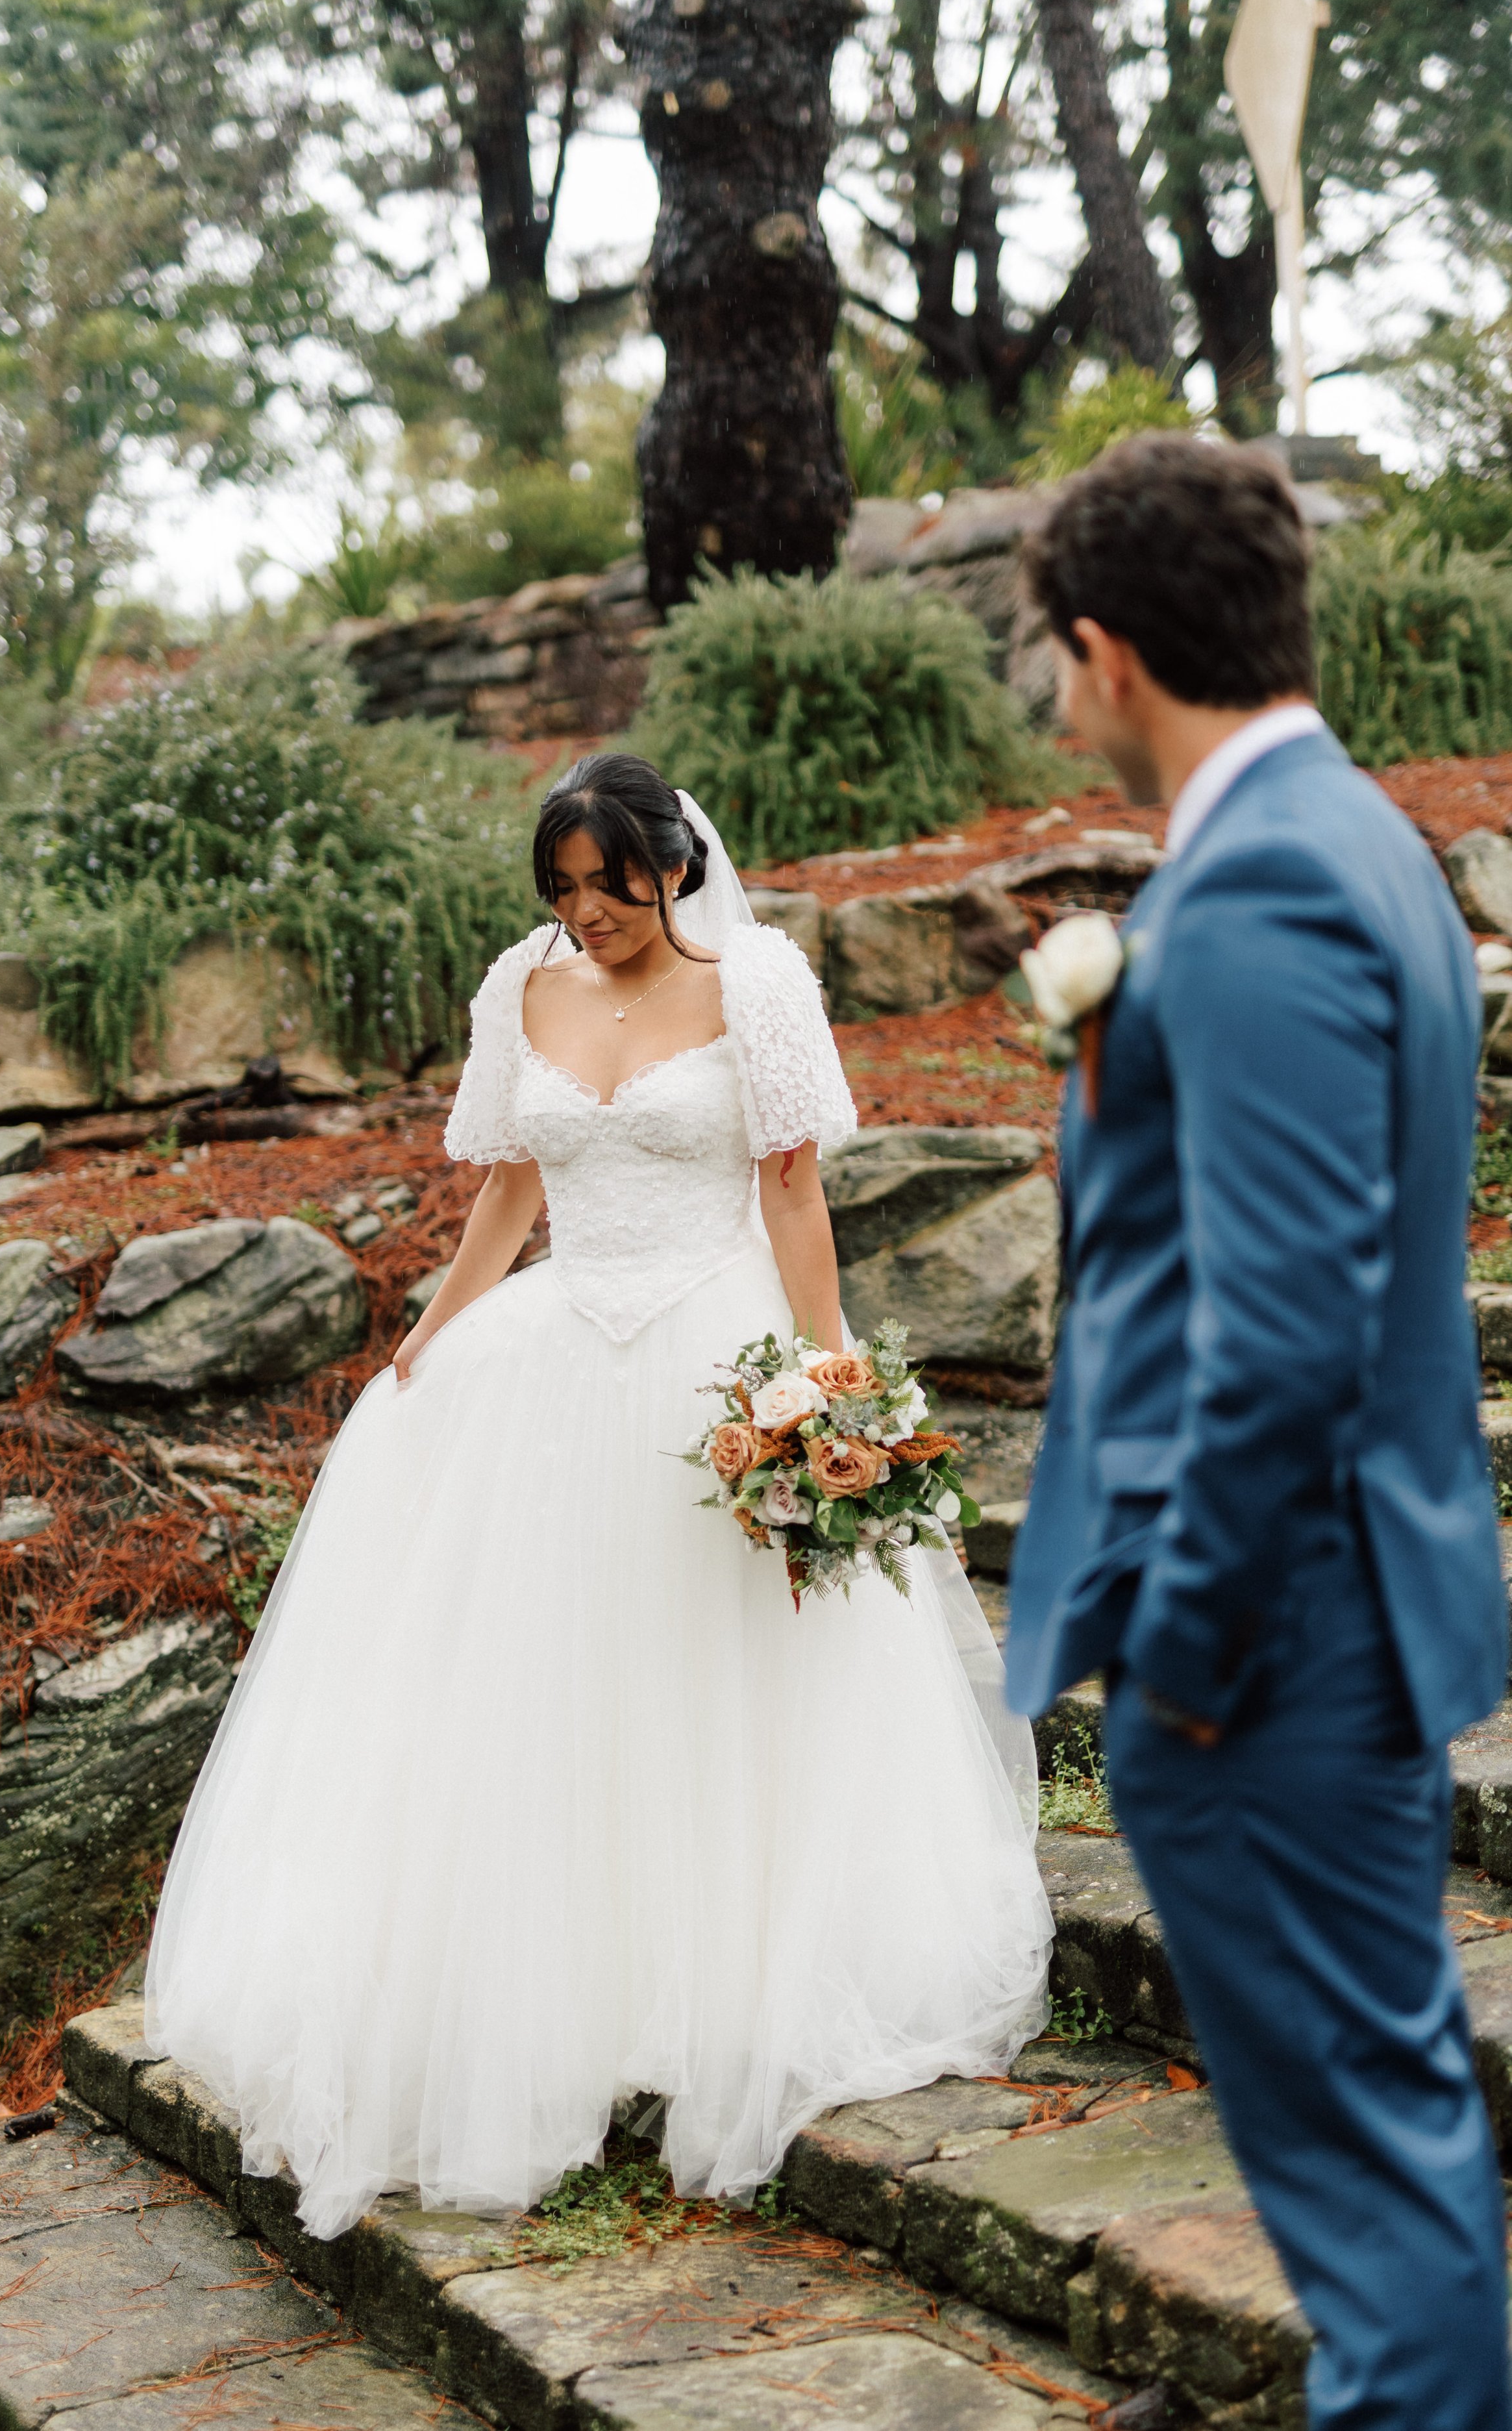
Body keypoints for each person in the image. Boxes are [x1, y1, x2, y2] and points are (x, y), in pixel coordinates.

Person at [146, 752, 1053, 2240]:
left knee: (714, 1669)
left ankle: (721, 1971)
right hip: (553, 1349)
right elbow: (509, 1186)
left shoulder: (758, 986)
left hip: (714, 1343)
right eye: (560, 890)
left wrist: (822, 1374)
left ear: (670, 865)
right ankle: (552, 1978)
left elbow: (790, 1190)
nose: (585, 915)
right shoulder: (525, 987)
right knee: (536, 1673)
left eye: (607, 884)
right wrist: (431, 1333)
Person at [1006, 436, 1509, 2431]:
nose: (1053, 695)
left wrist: (1187, 1651)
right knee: (1370, 2137)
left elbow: (1283, 1327)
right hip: (1324, 1609)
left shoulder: (1268, 874)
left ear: (1111, 651)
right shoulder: (1350, 827)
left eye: (1054, 656)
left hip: (1271, 1637)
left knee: (1371, 2176)